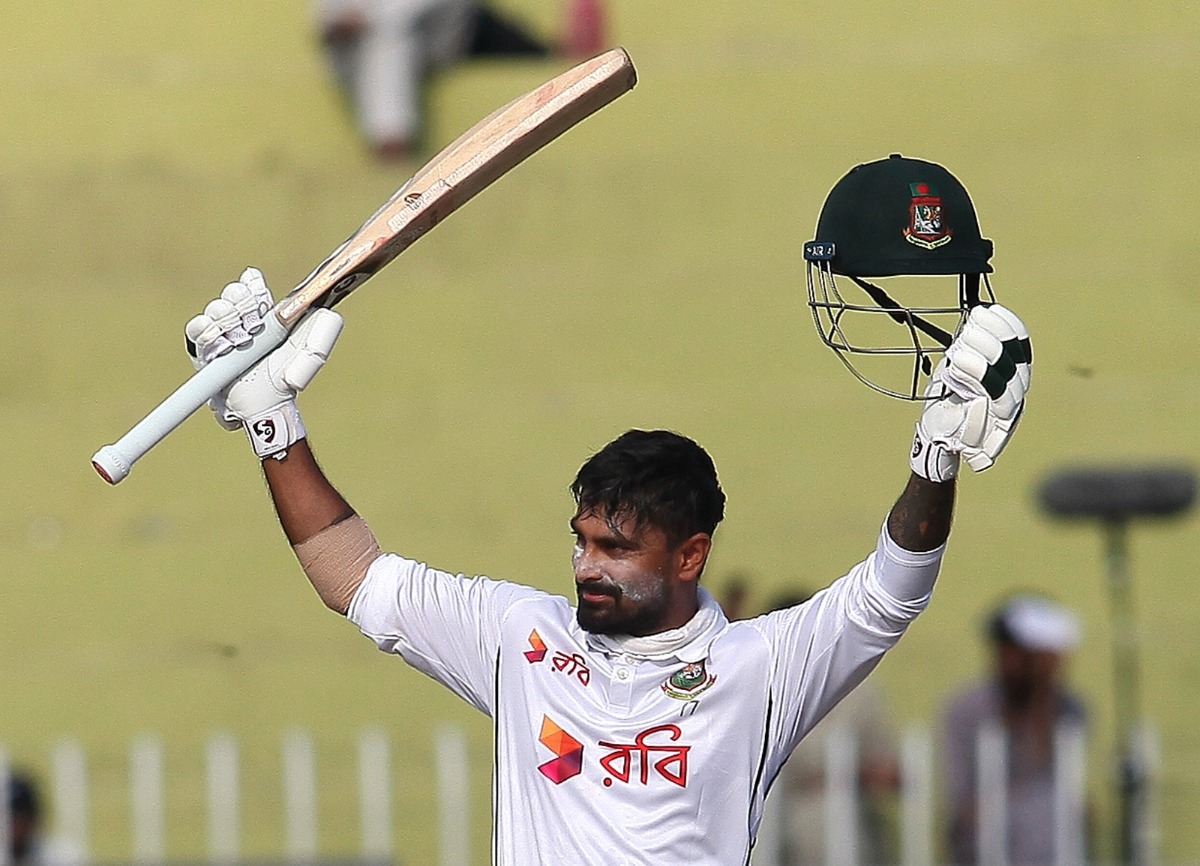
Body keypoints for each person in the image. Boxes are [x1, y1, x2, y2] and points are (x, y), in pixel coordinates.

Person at [179, 155, 1031, 861]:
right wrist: (272, 425)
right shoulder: (521, 637)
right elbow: (351, 576)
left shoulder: (758, 668)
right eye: (583, 540)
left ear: (691, 556)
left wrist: (936, 457)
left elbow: (893, 592)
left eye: (618, 548)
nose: (588, 565)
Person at [314, 0, 604, 161]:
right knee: (385, 39)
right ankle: (392, 137)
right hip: (410, 43)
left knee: (391, 36)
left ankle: (393, 138)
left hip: (455, 29)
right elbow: (328, 24)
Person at [941, 595, 1088, 865]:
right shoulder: (968, 711)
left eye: (1022, 654)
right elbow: (962, 808)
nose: (1008, 661)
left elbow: (1071, 799)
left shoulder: (1068, 711)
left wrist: (1041, 696)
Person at [764, 593, 901, 866]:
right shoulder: (754, 691)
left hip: (839, 813)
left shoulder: (858, 691)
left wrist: (845, 776)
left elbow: (891, 775)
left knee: (824, 817)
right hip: (769, 813)